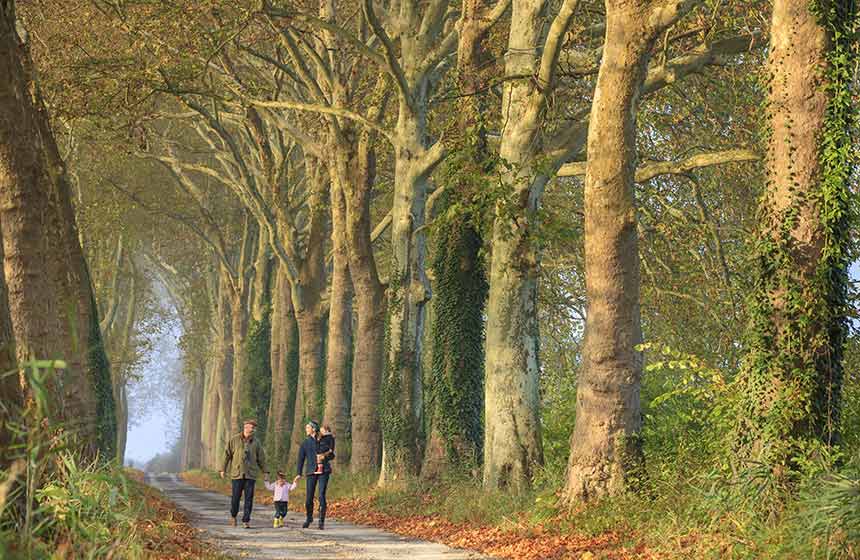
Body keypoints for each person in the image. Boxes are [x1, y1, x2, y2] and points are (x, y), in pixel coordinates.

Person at [220, 419, 267, 529]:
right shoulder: (234, 440)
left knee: (249, 498)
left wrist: (265, 472)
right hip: (237, 474)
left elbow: (261, 458)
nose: (253, 429)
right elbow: (226, 455)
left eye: (253, 428)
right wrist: (223, 469)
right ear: (246, 427)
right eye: (251, 427)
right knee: (235, 497)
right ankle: (233, 516)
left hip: (250, 474)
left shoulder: (256, 442)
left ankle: (246, 520)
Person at [296, 420, 332, 530]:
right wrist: (298, 473)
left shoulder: (324, 440)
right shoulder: (305, 443)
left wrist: (324, 457)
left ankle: (321, 521)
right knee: (309, 498)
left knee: (321, 495)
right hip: (311, 471)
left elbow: (332, 455)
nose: (306, 429)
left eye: (308, 427)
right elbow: (301, 459)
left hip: (324, 471)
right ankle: (309, 517)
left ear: (313, 429)